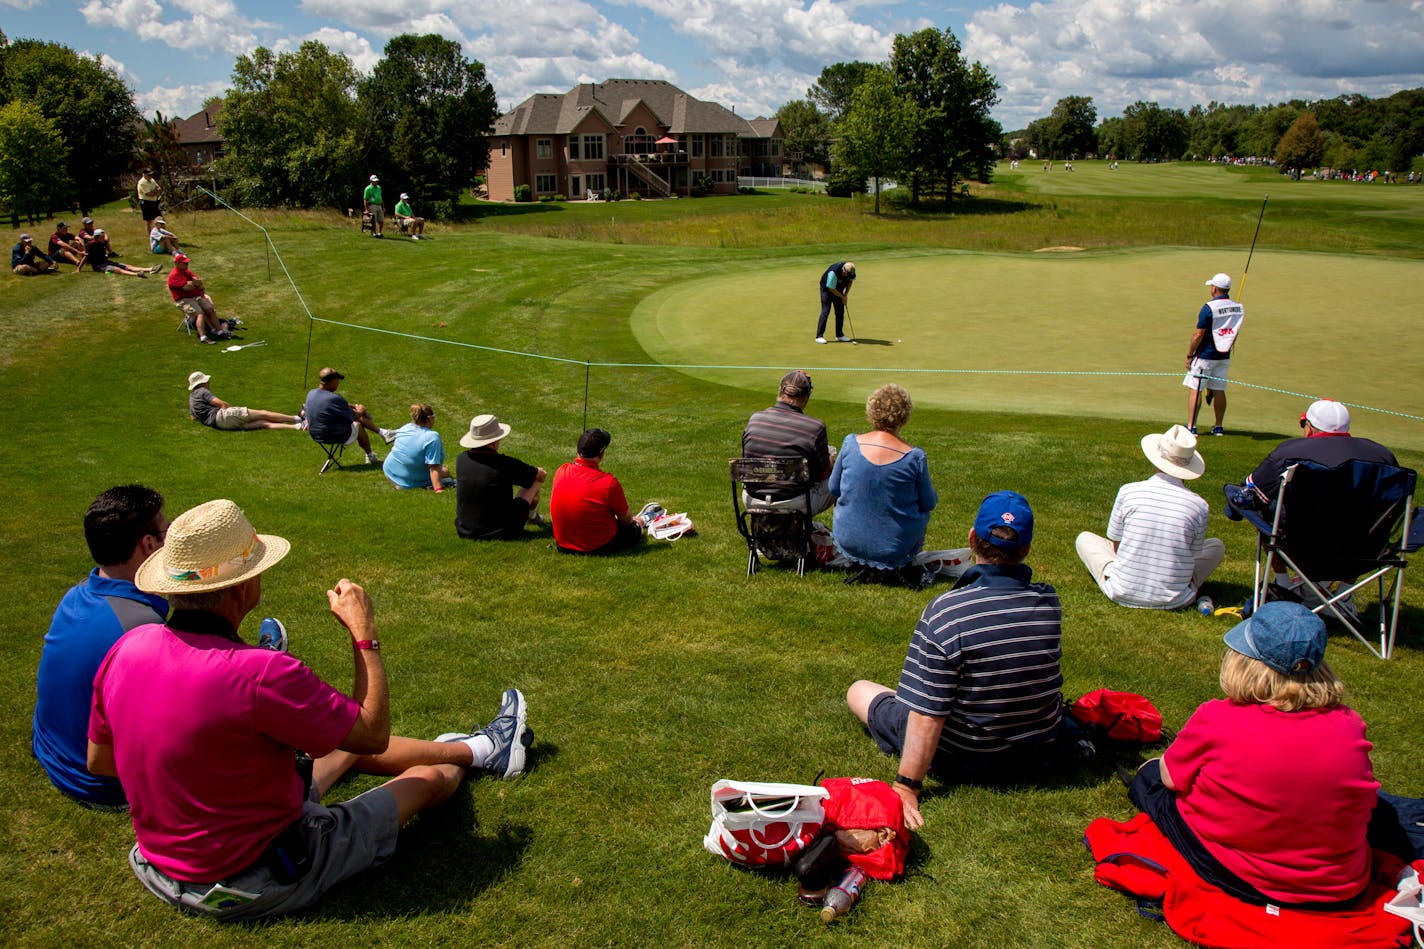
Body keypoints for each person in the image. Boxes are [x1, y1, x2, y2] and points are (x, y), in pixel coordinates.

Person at [87, 498, 534, 921]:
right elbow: (371, 733)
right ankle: (477, 752)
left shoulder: (127, 649)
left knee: (338, 749)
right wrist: (364, 633)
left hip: (160, 866)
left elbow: (101, 762)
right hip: (255, 873)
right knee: (430, 779)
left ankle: (481, 749)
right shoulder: (259, 672)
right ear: (241, 588)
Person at [1127, 601, 1379, 905]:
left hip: (1245, 876)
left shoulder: (1218, 717)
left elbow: (1170, 778)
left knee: (1151, 778)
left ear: (1245, 662)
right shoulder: (1349, 724)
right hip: (1338, 886)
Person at [844, 491, 1066, 829]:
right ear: (1027, 549)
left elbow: (928, 714)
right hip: (1037, 754)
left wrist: (906, 785)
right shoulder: (1049, 603)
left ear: (972, 540)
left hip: (964, 758)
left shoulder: (947, 613)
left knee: (860, 690)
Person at [32, 486, 169, 808]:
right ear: (149, 545)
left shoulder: (76, 595)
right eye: (165, 531)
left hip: (54, 751)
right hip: (102, 786)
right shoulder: (142, 631)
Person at [1075, 424, 1224, 609]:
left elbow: (1116, 545)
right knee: (1216, 546)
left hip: (1121, 589)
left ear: (1156, 460)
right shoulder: (1199, 505)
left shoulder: (1128, 491)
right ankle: (1176, 585)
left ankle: (1131, 577)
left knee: (1085, 539)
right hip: (1176, 599)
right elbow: (1192, 555)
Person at [828, 384, 938, 572]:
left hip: (849, 538)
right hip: (895, 547)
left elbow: (833, 488)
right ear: (904, 416)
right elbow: (929, 503)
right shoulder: (914, 457)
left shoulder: (850, 443)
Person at [1239, 399, 1398, 511]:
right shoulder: (1382, 455)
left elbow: (1248, 494)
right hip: (1366, 548)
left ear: (1308, 427)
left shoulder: (1289, 452)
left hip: (1298, 544)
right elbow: (1396, 504)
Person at [549, 428, 658, 554]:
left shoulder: (561, 470)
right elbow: (626, 520)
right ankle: (644, 519)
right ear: (601, 455)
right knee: (634, 528)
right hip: (598, 546)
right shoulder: (609, 482)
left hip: (563, 544)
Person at [740, 370, 834, 515]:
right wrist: (832, 462)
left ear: (779, 391)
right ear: (807, 397)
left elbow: (748, 462)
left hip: (752, 500)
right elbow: (823, 475)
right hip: (795, 504)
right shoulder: (815, 427)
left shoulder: (755, 419)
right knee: (841, 475)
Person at [454, 414, 548, 540]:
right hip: (500, 530)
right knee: (536, 478)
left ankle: (532, 516)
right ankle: (532, 515)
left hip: (465, 528)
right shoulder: (504, 463)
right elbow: (539, 475)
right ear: (493, 443)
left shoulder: (461, 459)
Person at [1184, 272, 1244, 435]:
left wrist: (1190, 354)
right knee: (1219, 389)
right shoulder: (1237, 307)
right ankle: (1218, 427)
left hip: (1205, 355)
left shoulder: (1209, 307)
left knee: (1195, 388)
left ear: (1215, 288)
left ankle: (1191, 426)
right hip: (1223, 355)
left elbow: (1198, 334)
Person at [303, 368, 397, 466]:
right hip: (330, 435)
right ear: (331, 381)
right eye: (337, 380)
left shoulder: (312, 393)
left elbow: (337, 405)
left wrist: (353, 406)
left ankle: (384, 433)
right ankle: (370, 455)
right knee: (358, 425)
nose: (338, 383)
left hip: (315, 433)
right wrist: (361, 410)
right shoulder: (333, 398)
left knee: (351, 414)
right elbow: (355, 417)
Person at [187, 371, 304, 432]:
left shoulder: (192, 398)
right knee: (263, 413)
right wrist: (233, 410)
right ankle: (297, 419)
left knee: (263, 424)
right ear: (202, 383)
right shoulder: (202, 391)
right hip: (223, 416)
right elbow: (222, 404)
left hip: (219, 425)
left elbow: (194, 418)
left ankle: (296, 427)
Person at [168, 252, 235, 344]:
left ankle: (220, 331)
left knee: (210, 309)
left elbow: (198, 281)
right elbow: (186, 288)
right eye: (185, 263)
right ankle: (203, 337)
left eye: (187, 263)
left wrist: (194, 284)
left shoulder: (186, 272)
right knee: (200, 313)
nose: (187, 264)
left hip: (195, 297)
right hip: (184, 300)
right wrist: (195, 284)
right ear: (177, 263)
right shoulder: (174, 275)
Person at [383, 403, 452, 491]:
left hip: (389, 471)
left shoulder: (406, 427)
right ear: (429, 419)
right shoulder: (432, 437)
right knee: (445, 472)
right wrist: (438, 489)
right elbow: (433, 466)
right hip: (407, 481)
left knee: (443, 471)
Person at [79, 231, 160, 278]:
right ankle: (137, 274)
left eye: (103, 237)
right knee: (117, 270)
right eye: (102, 237)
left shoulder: (102, 242)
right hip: (99, 266)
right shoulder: (90, 245)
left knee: (128, 266)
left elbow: (107, 237)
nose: (104, 239)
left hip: (106, 262)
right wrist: (78, 269)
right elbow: (86, 256)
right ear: (96, 238)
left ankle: (150, 269)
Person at [815, 261, 855, 343]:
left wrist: (846, 295)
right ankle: (819, 336)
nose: (848, 275)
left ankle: (839, 335)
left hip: (838, 289)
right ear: (843, 270)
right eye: (847, 274)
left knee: (840, 311)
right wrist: (842, 296)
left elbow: (850, 281)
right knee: (826, 310)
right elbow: (831, 289)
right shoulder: (833, 273)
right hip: (826, 290)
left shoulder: (851, 271)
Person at [136, 168, 163, 235]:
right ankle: (151, 236)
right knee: (149, 221)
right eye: (149, 175)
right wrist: (155, 191)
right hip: (146, 203)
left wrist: (155, 191)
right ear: (144, 174)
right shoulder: (142, 183)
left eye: (151, 174)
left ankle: (160, 234)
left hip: (154, 201)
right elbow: (149, 194)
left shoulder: (152, 180)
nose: (150, 176)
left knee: (159, 219)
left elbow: (159, 188)